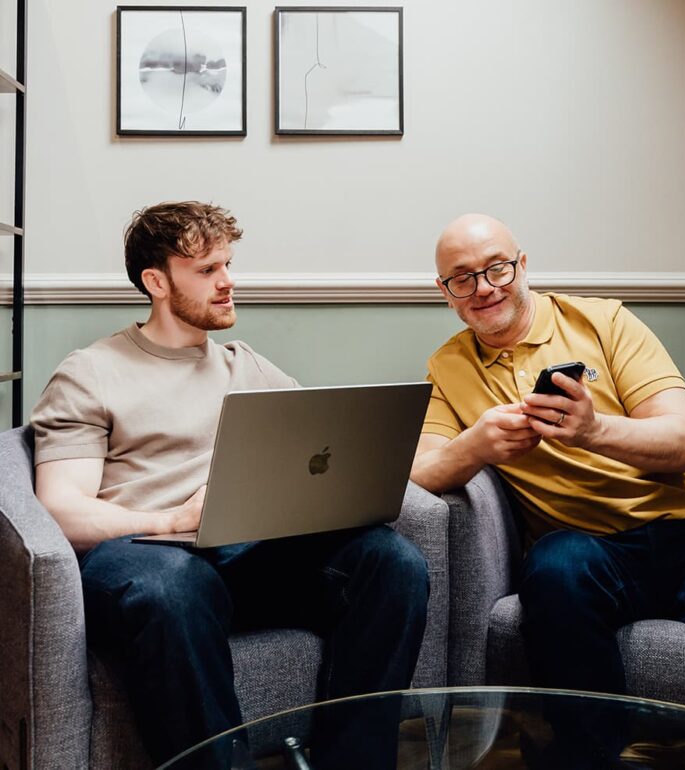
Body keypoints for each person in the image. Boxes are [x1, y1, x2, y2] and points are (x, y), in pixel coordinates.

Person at [31, 201, 429, 770]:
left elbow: (321, 456)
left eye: (227, 264)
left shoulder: (249, 368)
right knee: (175, 584)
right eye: (208, 270)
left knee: (391, 562)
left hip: (246, 558)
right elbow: (62, 510)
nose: (228, 282)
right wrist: (170, 521)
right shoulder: (91, 372)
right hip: (146, 560)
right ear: (156, 281)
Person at [411, 212, 685, 766]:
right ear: (445, 293)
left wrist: (594, 430)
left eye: (497, 268)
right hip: (584, 549)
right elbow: (418, 474)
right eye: (462, 278)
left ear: (522, 266)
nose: (484, 288)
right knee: (555, 566)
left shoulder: (604, 321)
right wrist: (476, 445)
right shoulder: (449, 366)